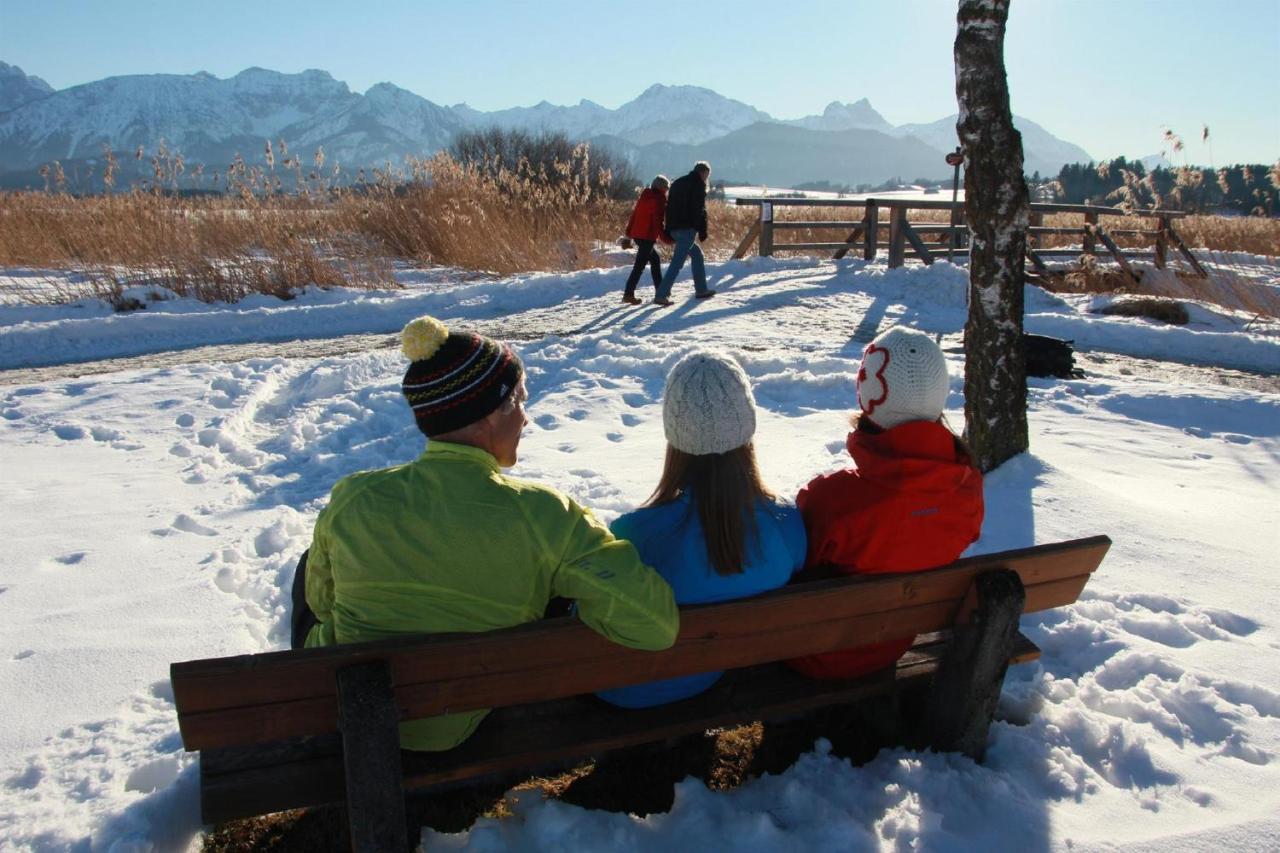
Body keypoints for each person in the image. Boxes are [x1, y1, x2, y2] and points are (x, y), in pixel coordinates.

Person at [297, 315, 679, 750]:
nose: (526, 419)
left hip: (348, 711)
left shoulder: (352, 498)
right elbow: (654, 626)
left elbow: (322, 604)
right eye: (519, 402)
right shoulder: (544, 516)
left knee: (307, 568)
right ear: (490, 415)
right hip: (458, 724)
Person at [597, 350, 805, 708]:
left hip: (626, 688)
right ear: (746, 425)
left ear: (675, 433)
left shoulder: (636, 534)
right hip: (708, 678)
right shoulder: (786, 527)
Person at [788, 327, 984, 680]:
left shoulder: (834, 499)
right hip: (893, 643)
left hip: (816, 655)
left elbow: (795, 563)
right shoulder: (965, 490)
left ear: (869, 393)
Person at [654, 161, 715, 306]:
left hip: (674, 229)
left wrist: (668, 229)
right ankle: (662, 295)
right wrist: (701, 230)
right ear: (704, 173)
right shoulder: (698, 185)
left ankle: (701, 289)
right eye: (707, 174)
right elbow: (699, 210)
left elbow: (669, 207)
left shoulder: (678, 183)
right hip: (687, 230)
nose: (706, 177)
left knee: (697, 254)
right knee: (677, 263)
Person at [621, 175, 674, 305]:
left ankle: (660, 291)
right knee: (639, 266)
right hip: (647, 236)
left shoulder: (644, 196)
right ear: (661, 188)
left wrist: (628, 235)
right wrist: (666, 238)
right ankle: (629, 294)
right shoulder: (659, 199)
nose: (667, 190)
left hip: (638, 235)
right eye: (666, 188)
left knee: (655, 260)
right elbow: (658, 221)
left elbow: (634, 216)